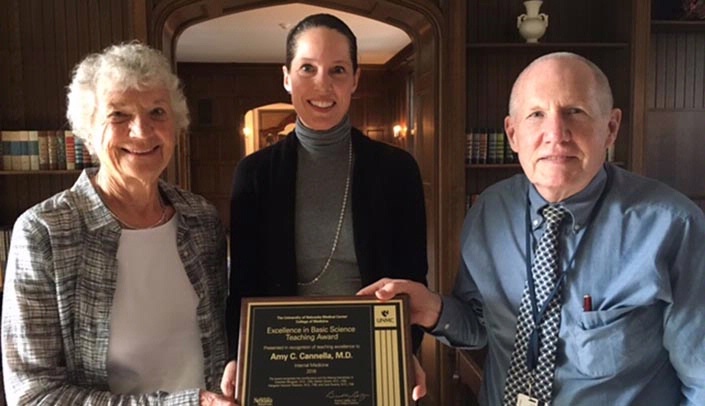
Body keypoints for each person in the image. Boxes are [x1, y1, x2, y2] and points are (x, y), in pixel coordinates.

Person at [359, 52, 705, 405]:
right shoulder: (489, 211)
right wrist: (432, 308)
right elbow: (482, 325)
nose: (556, 134)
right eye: (536, 114)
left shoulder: (675, 227)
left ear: (611, 128)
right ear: (512, 133)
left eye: (575, 112)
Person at [1, 42, 233, 405]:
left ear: (176, 124)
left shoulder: (201, 221)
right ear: (89, 130)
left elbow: (220, 346)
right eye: (118, 115)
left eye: (157, 111)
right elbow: (34, 396)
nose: (141, 132)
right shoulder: (44, 232)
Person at [222, 13, 428, 401]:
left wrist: (407, 350)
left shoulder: (398, 170)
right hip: (281, 364)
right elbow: (243, 283)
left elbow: (413, 275)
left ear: (355, 78)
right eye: (307, 68)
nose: (322, 84)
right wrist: (238, 355)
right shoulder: (254, 174)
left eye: (337, 69)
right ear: (286, 77)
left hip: (370, 359)